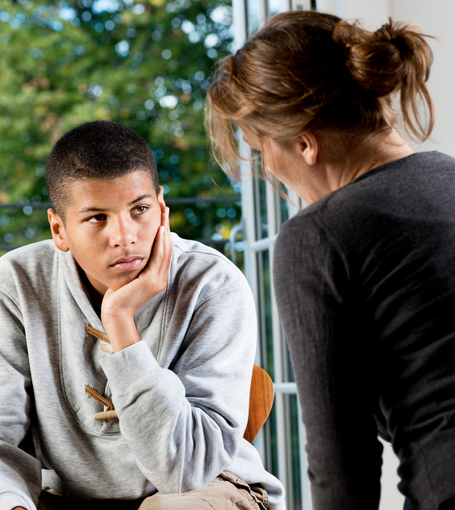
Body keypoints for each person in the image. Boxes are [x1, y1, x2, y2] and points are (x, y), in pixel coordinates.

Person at [0, 120, 285, 510]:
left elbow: (186, 472)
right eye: (97, 218)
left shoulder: (213, 284)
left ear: (161, 207)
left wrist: (120, 320)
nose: (125, 236)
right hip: (65, 497)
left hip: (208, 489)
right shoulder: (15, 285)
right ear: (59, 229)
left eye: (140, 210)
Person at [206, 9, 455, 510]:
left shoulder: (318, 236)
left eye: (260, 153)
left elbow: (343, 468)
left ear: (305, 144)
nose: (270, 173)